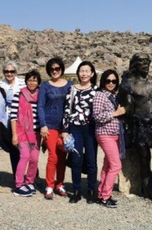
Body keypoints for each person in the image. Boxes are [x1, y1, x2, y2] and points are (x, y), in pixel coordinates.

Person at [117, 53, 152, 200]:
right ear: (135, 64)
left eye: (147, 61)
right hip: (140, 128)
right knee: (144, 162)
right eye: (141, 61)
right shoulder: (128, 84)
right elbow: (124, 107)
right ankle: (151, 194)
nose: (145, 64)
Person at [61, 61, 98, 204]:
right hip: (75, 128)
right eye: (81, 71)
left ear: (92, 73)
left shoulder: (96, 90)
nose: (84, 73)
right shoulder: (72, 89)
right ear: (78, 73)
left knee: (91, 160)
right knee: (76, 160)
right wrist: (65, 130)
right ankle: (76, 190)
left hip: (90, 129)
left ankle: (91, 190)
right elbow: (66, 110)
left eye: (87, 71)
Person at [38, 57, 73, 200]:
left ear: (61, 69)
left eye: (57, 68)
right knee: (53, 156)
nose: (55, 71)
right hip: (50, 126)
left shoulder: (70, 85)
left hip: (65, 127)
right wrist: (43, 125)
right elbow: (40, 105)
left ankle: (59, 184)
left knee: (62, 157)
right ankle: (49, 185)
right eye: (52, 69)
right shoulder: (45, 86)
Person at [92, 69, 126, 208]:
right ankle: (106, 196)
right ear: (103, 81)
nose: (111, 83)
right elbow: (97, 116)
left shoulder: (114, 96)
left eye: (113, 81)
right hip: (105, 134)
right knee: (116, 165)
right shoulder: (100, 96)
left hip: (115, 135)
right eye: (108, 81)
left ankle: (101, 193)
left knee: (108, 165)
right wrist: (115, 113)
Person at [9, 70, 42, 197]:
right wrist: (14, 134)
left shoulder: (41, 96)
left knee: (34, 159)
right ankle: (18, 185)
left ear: (38, 81)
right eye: (29, 80)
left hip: (36, 133)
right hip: (22, 133)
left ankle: (29, 181)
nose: (32, 82)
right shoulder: (19, 95)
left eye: (34, 80)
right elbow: (13, 116)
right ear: (26, 81)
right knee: (24, 156)